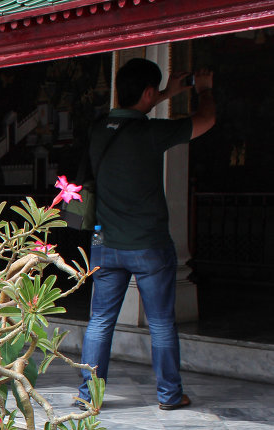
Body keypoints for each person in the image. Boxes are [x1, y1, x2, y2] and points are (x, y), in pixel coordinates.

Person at [77, 59, 215, 411]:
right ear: (149, 93)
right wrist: (204, 90)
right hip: (149, 247)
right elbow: (206, 120)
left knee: (100, 322)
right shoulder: (152, 133)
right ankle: (169, 395)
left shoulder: (97, 129)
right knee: (161, 324)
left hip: (105, 246)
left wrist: (167, 91)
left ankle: (87, 396)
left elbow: (130, 108)